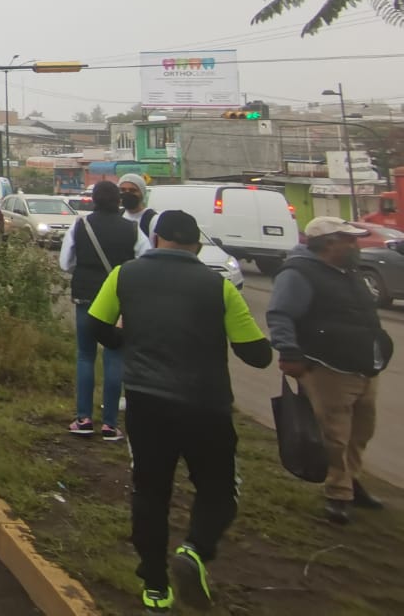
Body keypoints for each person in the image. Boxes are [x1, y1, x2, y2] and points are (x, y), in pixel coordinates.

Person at [83, 210, 272, 612]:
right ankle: (195, 549)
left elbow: (96, 326)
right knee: (219, 490)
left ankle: (154, 584)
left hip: (146, 403)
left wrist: (127, 339)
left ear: (155, 240)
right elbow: (256, 355)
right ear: (197, 245)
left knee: (150, 492)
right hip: (207, 405)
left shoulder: (124, 275)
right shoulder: (217, 287)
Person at [266, 215, 394, 524]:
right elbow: (280, 314)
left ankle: (352, 479)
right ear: (327, 244)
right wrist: (289, 352)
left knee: (361, 431)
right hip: (327, 367)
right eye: (348, 239)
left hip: (364, 365)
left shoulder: (348, 271)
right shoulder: (299, 274)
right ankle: (338, 494)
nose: (355, 244)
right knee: (335, 434)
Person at [61, 179, 148, 439]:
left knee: (85, 356)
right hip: (119, 305)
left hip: (86, 300)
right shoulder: (132, 230)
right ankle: (110, 424)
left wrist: (86, 270)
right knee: (114, 358)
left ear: (93, 201)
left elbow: (66, 262)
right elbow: (145, 261)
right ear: (119, 201)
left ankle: (83, 419)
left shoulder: (80, 225)